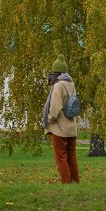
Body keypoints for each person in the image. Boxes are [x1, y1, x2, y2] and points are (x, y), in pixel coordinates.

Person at [43, 55, 80, 184]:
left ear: (57, 72)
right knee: (71, 157)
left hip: (60, 129)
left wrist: (48, 120)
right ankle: (75, 181)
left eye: (53, 73)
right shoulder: (71, 84)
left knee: (60, 157)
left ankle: (66, 182)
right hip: (72, 127)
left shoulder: (58, 86)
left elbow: (55, 108)